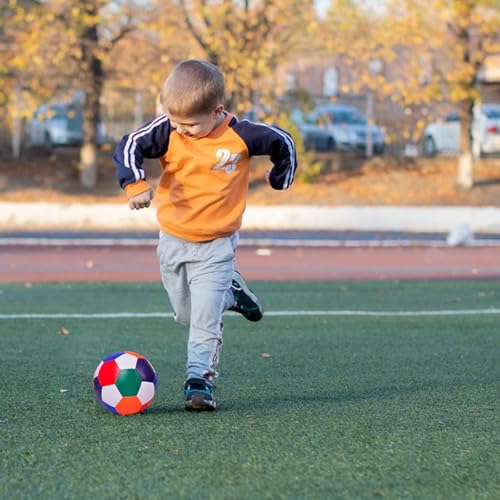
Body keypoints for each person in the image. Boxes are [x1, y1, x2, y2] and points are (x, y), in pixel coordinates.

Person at [113, 59, 297, 411]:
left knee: (203, 320)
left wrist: (280, 177)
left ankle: (199, 381)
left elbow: (282, 142)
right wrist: (135, 183)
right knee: (185, 314)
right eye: (175, 121)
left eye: (190, 124)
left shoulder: (239, 136)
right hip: (173, 241)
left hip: (217, 246)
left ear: (217, 111)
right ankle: (233, 291)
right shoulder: (168, 129)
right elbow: (128, 145)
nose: (181, 129)